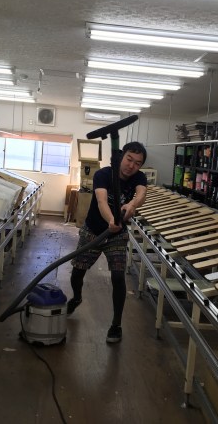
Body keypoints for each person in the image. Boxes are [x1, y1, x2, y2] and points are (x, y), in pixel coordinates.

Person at [67, 141, 148, 343]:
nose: (131, 165)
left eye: (137, 163)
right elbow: (102, 201)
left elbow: (141, 194)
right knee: (78, 271)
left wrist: (132, 204)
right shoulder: (103, 174)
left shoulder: (139, 177)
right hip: (93, 231)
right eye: (129, 159)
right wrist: (111, 219)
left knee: (118, 277)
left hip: (117, 235)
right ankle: (76, 297)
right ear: (122, 156)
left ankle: (116, 324)